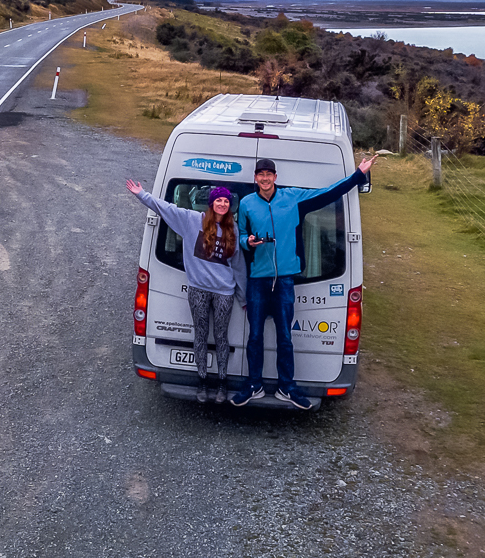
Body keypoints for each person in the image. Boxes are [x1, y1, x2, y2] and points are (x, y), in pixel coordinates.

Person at [233, 153, 377, 409]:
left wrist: (358, 175)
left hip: (286, 280)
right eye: (260, 175)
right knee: (254, 335)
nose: (265, 179)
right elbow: (240, 235)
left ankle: (286, 387)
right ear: (255, 178)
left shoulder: (292, 198)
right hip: (257, 279)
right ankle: (253, 385)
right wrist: (249, 242)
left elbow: (328, 193)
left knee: (285, 336)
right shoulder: (246, 203)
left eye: (269, 175)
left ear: (275, 177)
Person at [125, 179, 247, 401]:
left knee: (221, 337)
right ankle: (201, 382)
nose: (222, 204)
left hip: (224, 293)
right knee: (199, 334)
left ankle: (222, 383)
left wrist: (243, 296)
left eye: (226, 201)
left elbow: (238, 265)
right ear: (211, 204)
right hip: (198, 290)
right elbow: (166, 208)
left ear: (230, 205)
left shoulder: (233, 229)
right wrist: (142, 194)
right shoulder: (192, 220)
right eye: (218, 200)